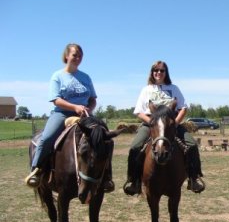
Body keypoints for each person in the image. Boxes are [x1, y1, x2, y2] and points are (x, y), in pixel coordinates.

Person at [25, 43, 115, 192]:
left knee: (107, 138)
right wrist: (74, 107)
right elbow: (56, 100)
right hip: (62, 113)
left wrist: (89, 109)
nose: (77, 58)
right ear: (67, 56)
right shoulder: (58, 76)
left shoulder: (85, 77)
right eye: (74, 55)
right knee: (47, 138)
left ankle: (106, 177)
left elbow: (93, 99)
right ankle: (37, 170)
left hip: (84, 114)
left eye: (80, 55)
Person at [123, 60, 205, 195]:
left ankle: (193, 178)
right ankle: (134, 181)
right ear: (152, 72)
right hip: (150, 124)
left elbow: (183, 108)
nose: (159, 73)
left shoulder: (174, 88)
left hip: (172, 124)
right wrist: (152, 123)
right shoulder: (146, 89)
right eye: (156, 70)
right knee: (135, 147)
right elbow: (138, 112)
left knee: (192, 144)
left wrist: (176, 122)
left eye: (162, 70)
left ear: (166, 73)